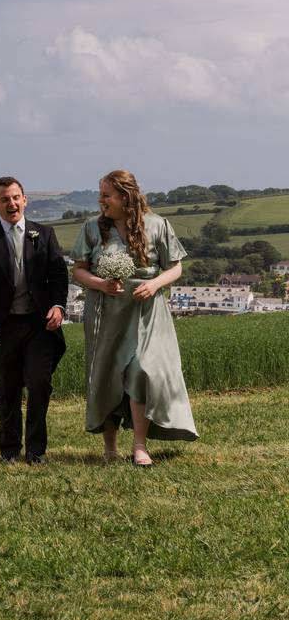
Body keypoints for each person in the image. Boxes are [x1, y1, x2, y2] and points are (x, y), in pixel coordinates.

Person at [71, 170, 198, 466]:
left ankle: (140, 445)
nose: (101, 201)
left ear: (125, 196)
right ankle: (110, 447)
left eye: (106, 195)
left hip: (148, 312)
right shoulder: (91, 228)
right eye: (100, 195)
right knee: (108, 373)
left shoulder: (157, 225)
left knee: (142, 370)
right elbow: (77, 270)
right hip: (106, 311)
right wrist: (101, 283)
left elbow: (176, 268)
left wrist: (154, 284)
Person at [0, 176, 68, 465]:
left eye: (15, 197)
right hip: (3, 327)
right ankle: (9, 451)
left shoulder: (45, 234)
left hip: (39, 326)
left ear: (25, 200)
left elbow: (59, 276)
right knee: (7, 389)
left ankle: (36, 452)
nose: (11, 203)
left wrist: (58, 307)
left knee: (39, 384)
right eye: (4, 199)